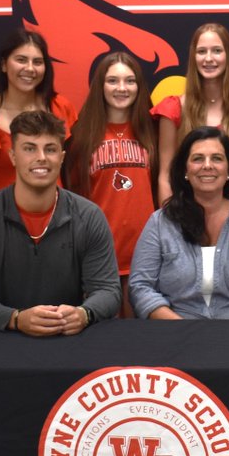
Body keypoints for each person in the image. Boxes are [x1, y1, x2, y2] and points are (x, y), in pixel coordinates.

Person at [0, 110, 121, 334]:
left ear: (61, 157)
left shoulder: (89, 216)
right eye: (29, 148)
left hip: (69, 341)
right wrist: (16, 319)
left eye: (50, 149)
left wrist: (84, 314)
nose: (41, 157)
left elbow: (108, 290)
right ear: (12, 156)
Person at [130, 127, 229, 319]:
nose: (207, 165)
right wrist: (180, 327)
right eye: (198, 159)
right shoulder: (160, 223)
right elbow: (140, 286)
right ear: (185, 170)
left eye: (217, 158)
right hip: (175, 335)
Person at [65, 51, 158, 318]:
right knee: (104, 338)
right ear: (100, 86)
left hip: (145, 255)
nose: (121, 88)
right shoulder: (81, 134)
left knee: (141, 338)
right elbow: (73, 199)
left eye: (130, 81)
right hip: (99, 255)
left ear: (139, 87)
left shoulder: (153, 130)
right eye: (112, 81)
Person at [153, 22, 229, 211]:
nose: (208, 58)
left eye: (217, 50)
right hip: (186, 222)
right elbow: (165, 176)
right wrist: (171, 226)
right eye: (201, 52)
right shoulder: (173, 109)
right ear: (193, 57)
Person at [0, 28, 77, 203]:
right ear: (4, 64)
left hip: (56, 218)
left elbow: (71, 172)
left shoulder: (60, 107)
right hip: (0, 221)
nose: (30, 68)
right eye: (21, 60)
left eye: (38, 62)